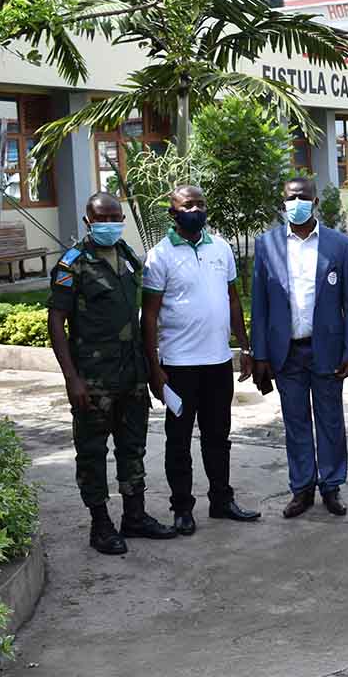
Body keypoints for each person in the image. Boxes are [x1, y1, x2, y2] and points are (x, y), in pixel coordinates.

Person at [47, 192, 176, 555]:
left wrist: (151, 370)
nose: (110, 224)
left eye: (115, 217)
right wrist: (72, 378)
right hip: (93, 378)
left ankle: (134, 516)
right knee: (92, 452)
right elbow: (56, 321)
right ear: (88, 222)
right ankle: (100, 524)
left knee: (132, 447)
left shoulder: (128, 257)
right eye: (102, 218)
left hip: (131, 375)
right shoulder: (72, 265)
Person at [141, 185, 261, 536]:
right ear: (172, 212)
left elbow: (233, 299)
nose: (195, 209)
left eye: (200, 204)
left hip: (218, 362)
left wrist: (245, 347)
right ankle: (182, 509)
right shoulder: (159, 256)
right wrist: (154, 368)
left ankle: (222, 501)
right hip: (179, 365)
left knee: (218, 436)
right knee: (179, 440)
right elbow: (149, 316)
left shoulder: (220, 247)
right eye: (187, 204)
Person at [249, 177, 348, 519]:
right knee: (295, 421)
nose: (296, 202)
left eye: (303, 197)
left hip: (326, 349)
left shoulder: (339, 245)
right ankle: (302, 488)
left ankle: (331, 486)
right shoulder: (267, 245)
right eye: (290, 197)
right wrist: (260, 354)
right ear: (282, 203)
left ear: (314, 201)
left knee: (330, 420)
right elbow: (260, 303)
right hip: (286, 352)